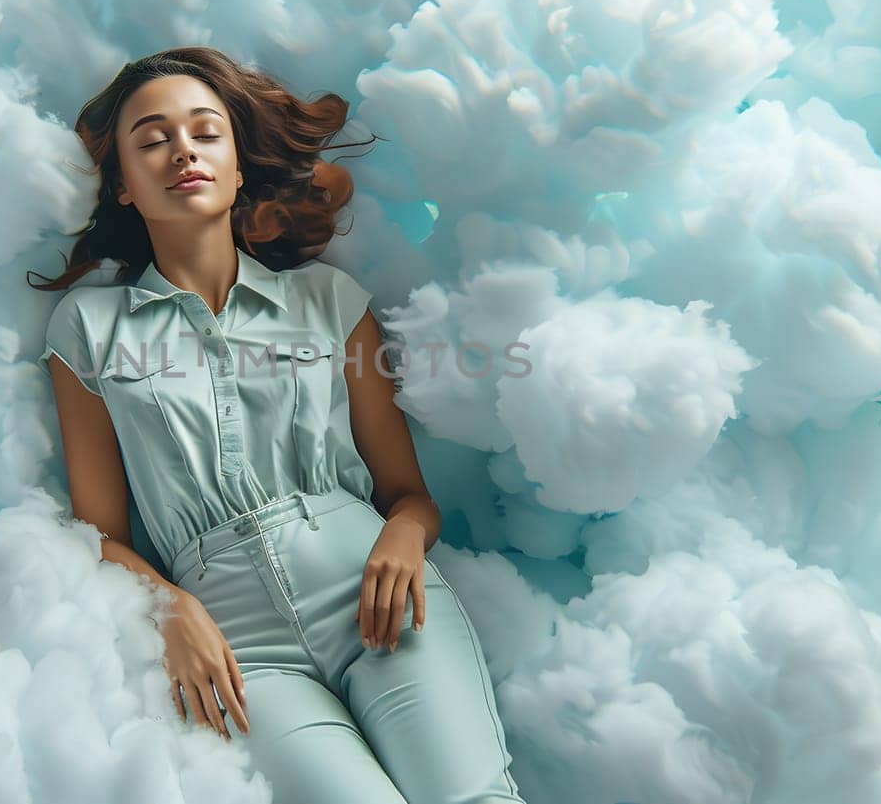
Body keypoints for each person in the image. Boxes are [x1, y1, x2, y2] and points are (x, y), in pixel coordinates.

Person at [30, 47, 527, 804]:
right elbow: (98, 535)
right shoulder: (89, 327)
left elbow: (407, 493)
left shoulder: (330, 300)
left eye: (205, 132)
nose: (183, 151)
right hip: (233, 648)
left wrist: (400, 535)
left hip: (379, 596)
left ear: (237, 169)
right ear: (124, 186)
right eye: (152, 138)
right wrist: (172, 610)